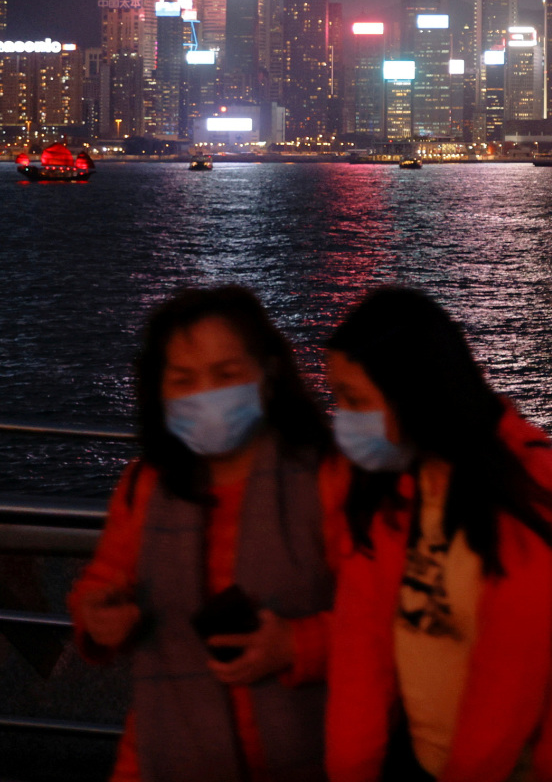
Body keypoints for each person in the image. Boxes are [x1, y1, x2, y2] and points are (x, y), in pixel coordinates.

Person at [322, 288, 552, 782]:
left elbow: (508, 679)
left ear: (415, 394)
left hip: (546, 765)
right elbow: (359, 649)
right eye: (336, 398)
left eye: (354, 400)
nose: (341, 418)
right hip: (430, 760)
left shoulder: (528, 495)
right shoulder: (384, 494)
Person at [69, 286, 350, 782]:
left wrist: (296, 645)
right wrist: (98, 616)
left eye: (227, 375)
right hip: (163, 757)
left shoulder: (327, 480)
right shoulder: (145, 486)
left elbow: (381, 617)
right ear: (159, 390)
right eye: (183, 380)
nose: (206, 394)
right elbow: (102, 580)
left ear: (267, 374)